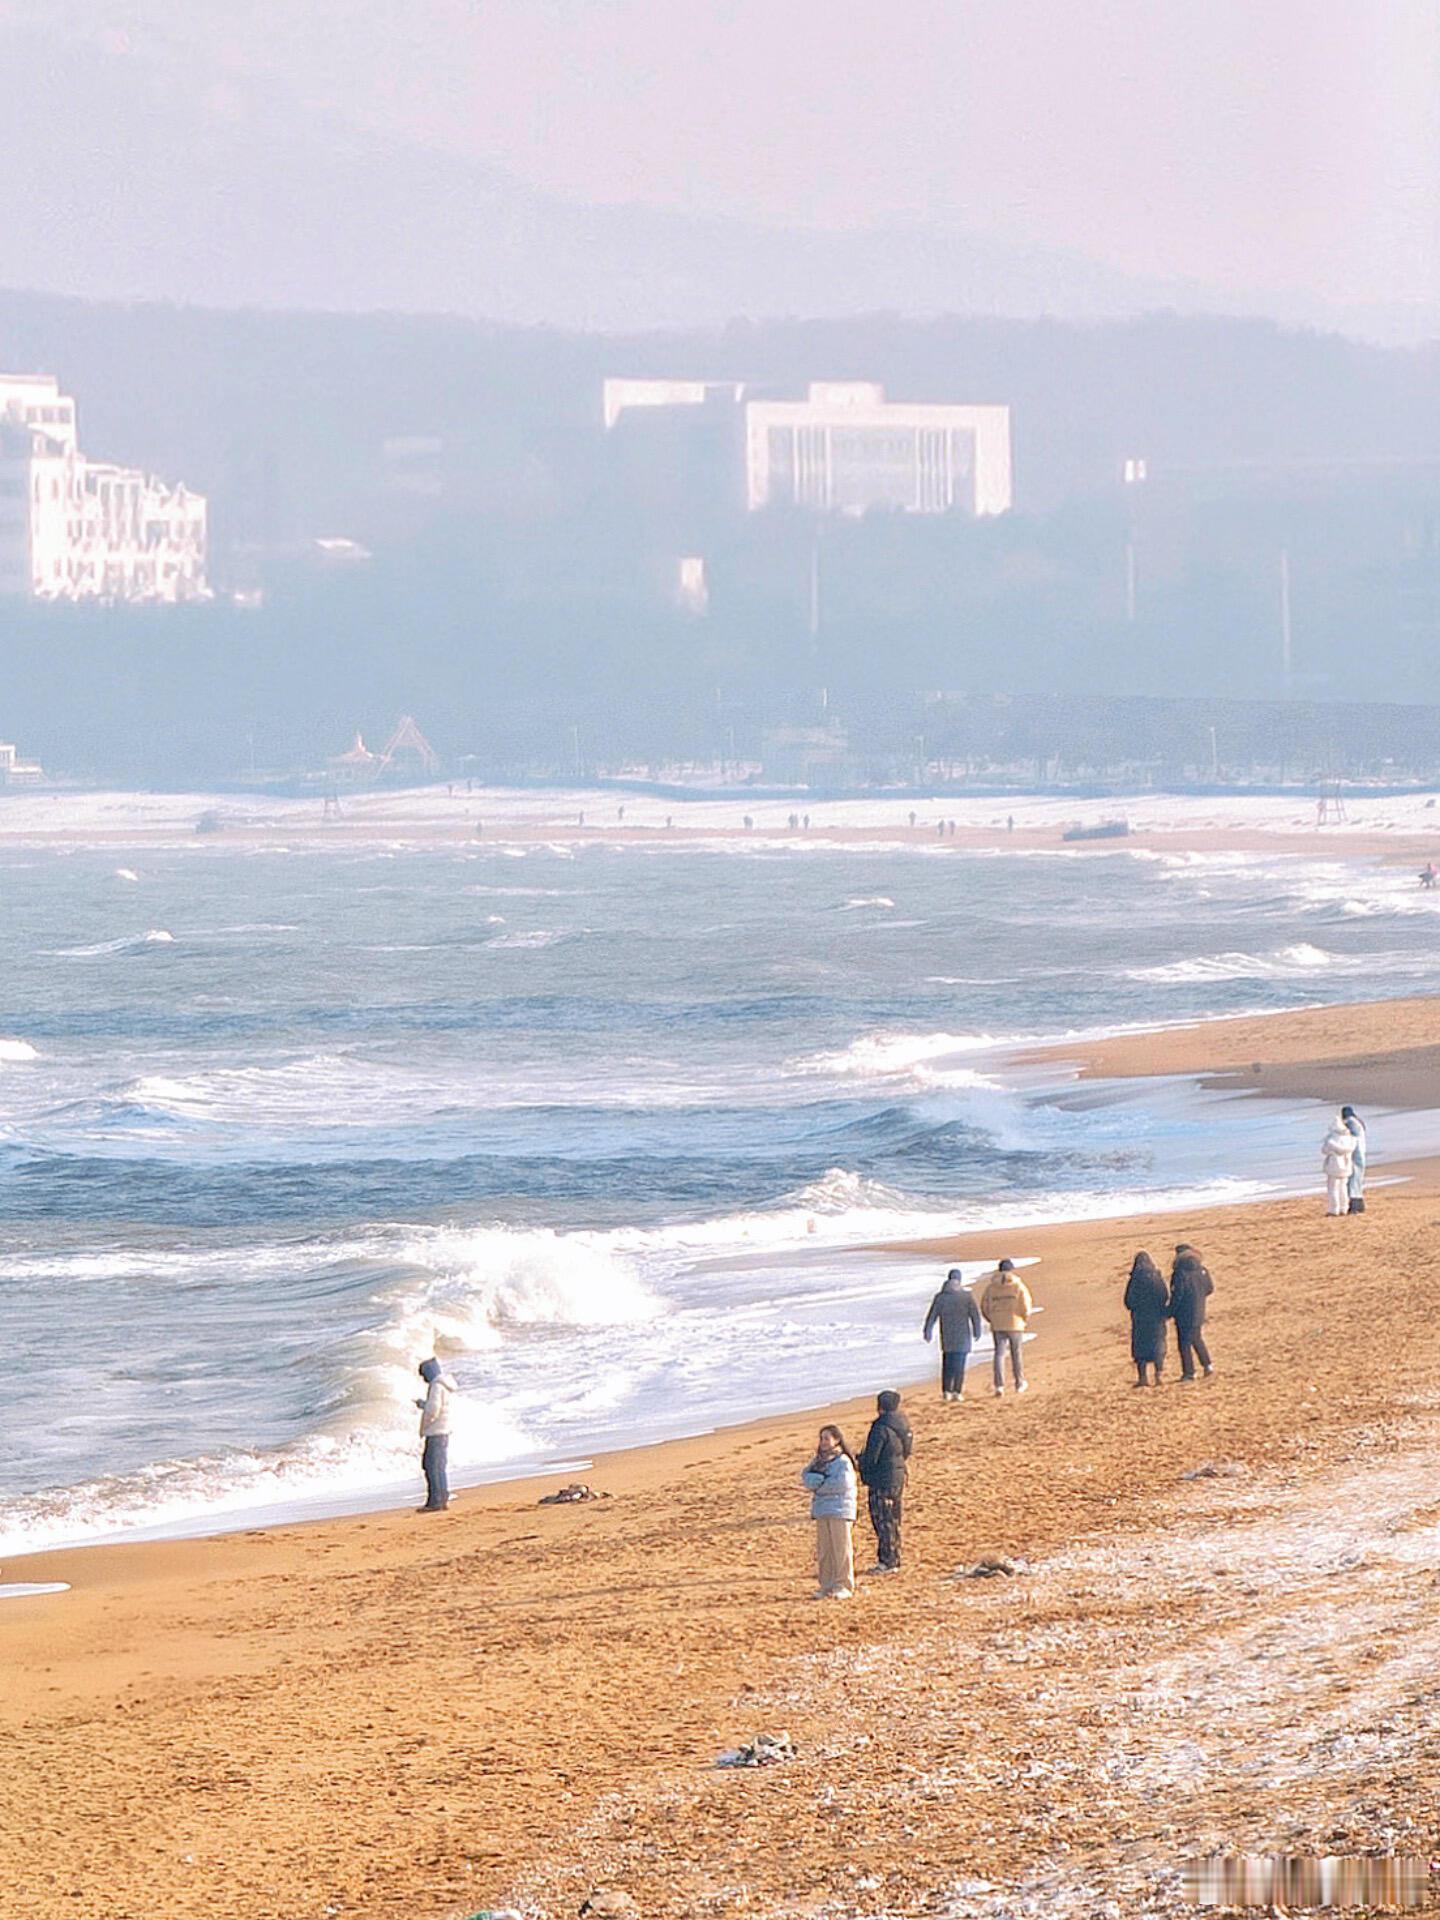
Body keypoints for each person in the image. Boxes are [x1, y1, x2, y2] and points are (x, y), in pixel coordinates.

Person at [799, 1424, 858, 1599]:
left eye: (827, 1438)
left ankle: (844, 1584)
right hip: (822, 1510)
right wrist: (817, 1482)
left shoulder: (843, 1461)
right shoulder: (818, 1461)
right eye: (822, 1438)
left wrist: (819, 1486)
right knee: (825, 1550)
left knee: (841, 1549)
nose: (823, 1442)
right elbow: (806, 1477)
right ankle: (826, 1585)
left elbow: (840, 1484)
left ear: (836, 1440)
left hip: (840, 1510)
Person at [857, 1390, 912, 1573]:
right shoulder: (903, 1424)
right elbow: (906, 1451)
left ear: (879, 1406)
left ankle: (887, 1561)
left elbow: (873, 1457)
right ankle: (894, 1558)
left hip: (882, 1480)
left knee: (883, 1519)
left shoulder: (880, 1428)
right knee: (894, 1518)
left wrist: (861, 1463)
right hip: (897, 1476)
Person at [922, 1267, 984, 1402]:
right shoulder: (966, 1296)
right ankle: (957, 1391)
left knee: (947, 1363)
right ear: (960, 1280)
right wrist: (977, 1331)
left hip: (947, 1335)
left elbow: (931, 1316)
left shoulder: (940, 1297)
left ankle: (946, 1391)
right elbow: (975, 1315)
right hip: (963, 1336)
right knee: (959, 1364)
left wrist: (928, 1331)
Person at [979, 1258, 1034, 1396]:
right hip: (1015, 1323)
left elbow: (984, 1306)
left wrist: (991, 1319)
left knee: (999, 1354)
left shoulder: (991, 1287)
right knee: (1016, 1353)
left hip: (998, 1324)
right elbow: (1026, 1304)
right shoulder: (1017, 1285)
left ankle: (999, 1385)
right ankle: (1019, 1383)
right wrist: (1024, 1318)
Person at [414, 1356, 457, 1512]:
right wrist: (423, 1404)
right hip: (444, 1429)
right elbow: (436, 1406)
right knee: (438, 1466)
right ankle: (442, 1497)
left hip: (436, 1431)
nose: (423, 1378)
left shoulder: (436, 1386)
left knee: (432, 1466)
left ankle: (435, 1501)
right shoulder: (444, 1385)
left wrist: (424, 1425)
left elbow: (433, 1410)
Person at [1168, 1246, 1214, 1381]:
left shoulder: (1180, 1273)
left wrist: (1170, 1311)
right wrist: (1199, 1297)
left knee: (1184, 1344)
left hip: (1184, 1313)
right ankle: (1207, 1365)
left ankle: (1189, 1372)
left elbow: (1177, 1295)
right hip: (1199, 1310)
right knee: (1197, 1338)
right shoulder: (1202, 1270)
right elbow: (1210, 1288)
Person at [1123, 1251, 1169, 1387]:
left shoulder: (1135, 1280)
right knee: (1158, 1346)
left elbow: (1128, 1301)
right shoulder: (1157, 1277)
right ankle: (1158, 1375)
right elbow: (1164, 1295)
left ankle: (1143, 1378)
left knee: (1140, 1348)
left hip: (1140, 1319)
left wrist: (1137, 1307)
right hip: (1156, 1317)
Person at [1321, 1113, 1358, 1217]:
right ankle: (1344, 1208)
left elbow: (1324, 1150)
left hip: (1334, 1166)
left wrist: (1332, 1151)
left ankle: (1334, 1209)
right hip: (1346, 1166)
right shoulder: (1350, 1139)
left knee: (1333, 1188)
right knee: (1343, 1188)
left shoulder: (1331, 1139)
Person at [1341, 1105, 1367, 1214]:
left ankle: (1355, 1205)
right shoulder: (1358, 1123)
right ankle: (1359, 1204)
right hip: (1360, 1153)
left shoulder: (1350, 1123)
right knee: (1358, 1179)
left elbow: (1352, 1139)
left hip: (1354, 1154)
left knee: (1352, 1179)